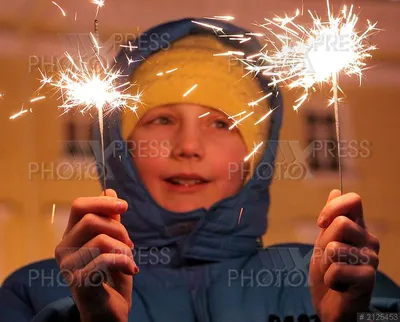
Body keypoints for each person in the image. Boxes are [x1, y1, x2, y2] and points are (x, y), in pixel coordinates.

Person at [1, 18, 399, 322]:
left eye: (221, 123)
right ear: (118, 146)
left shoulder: (349, 279)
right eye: (160, 120)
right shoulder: (36, 294)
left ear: (255, 156)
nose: (188, 147)